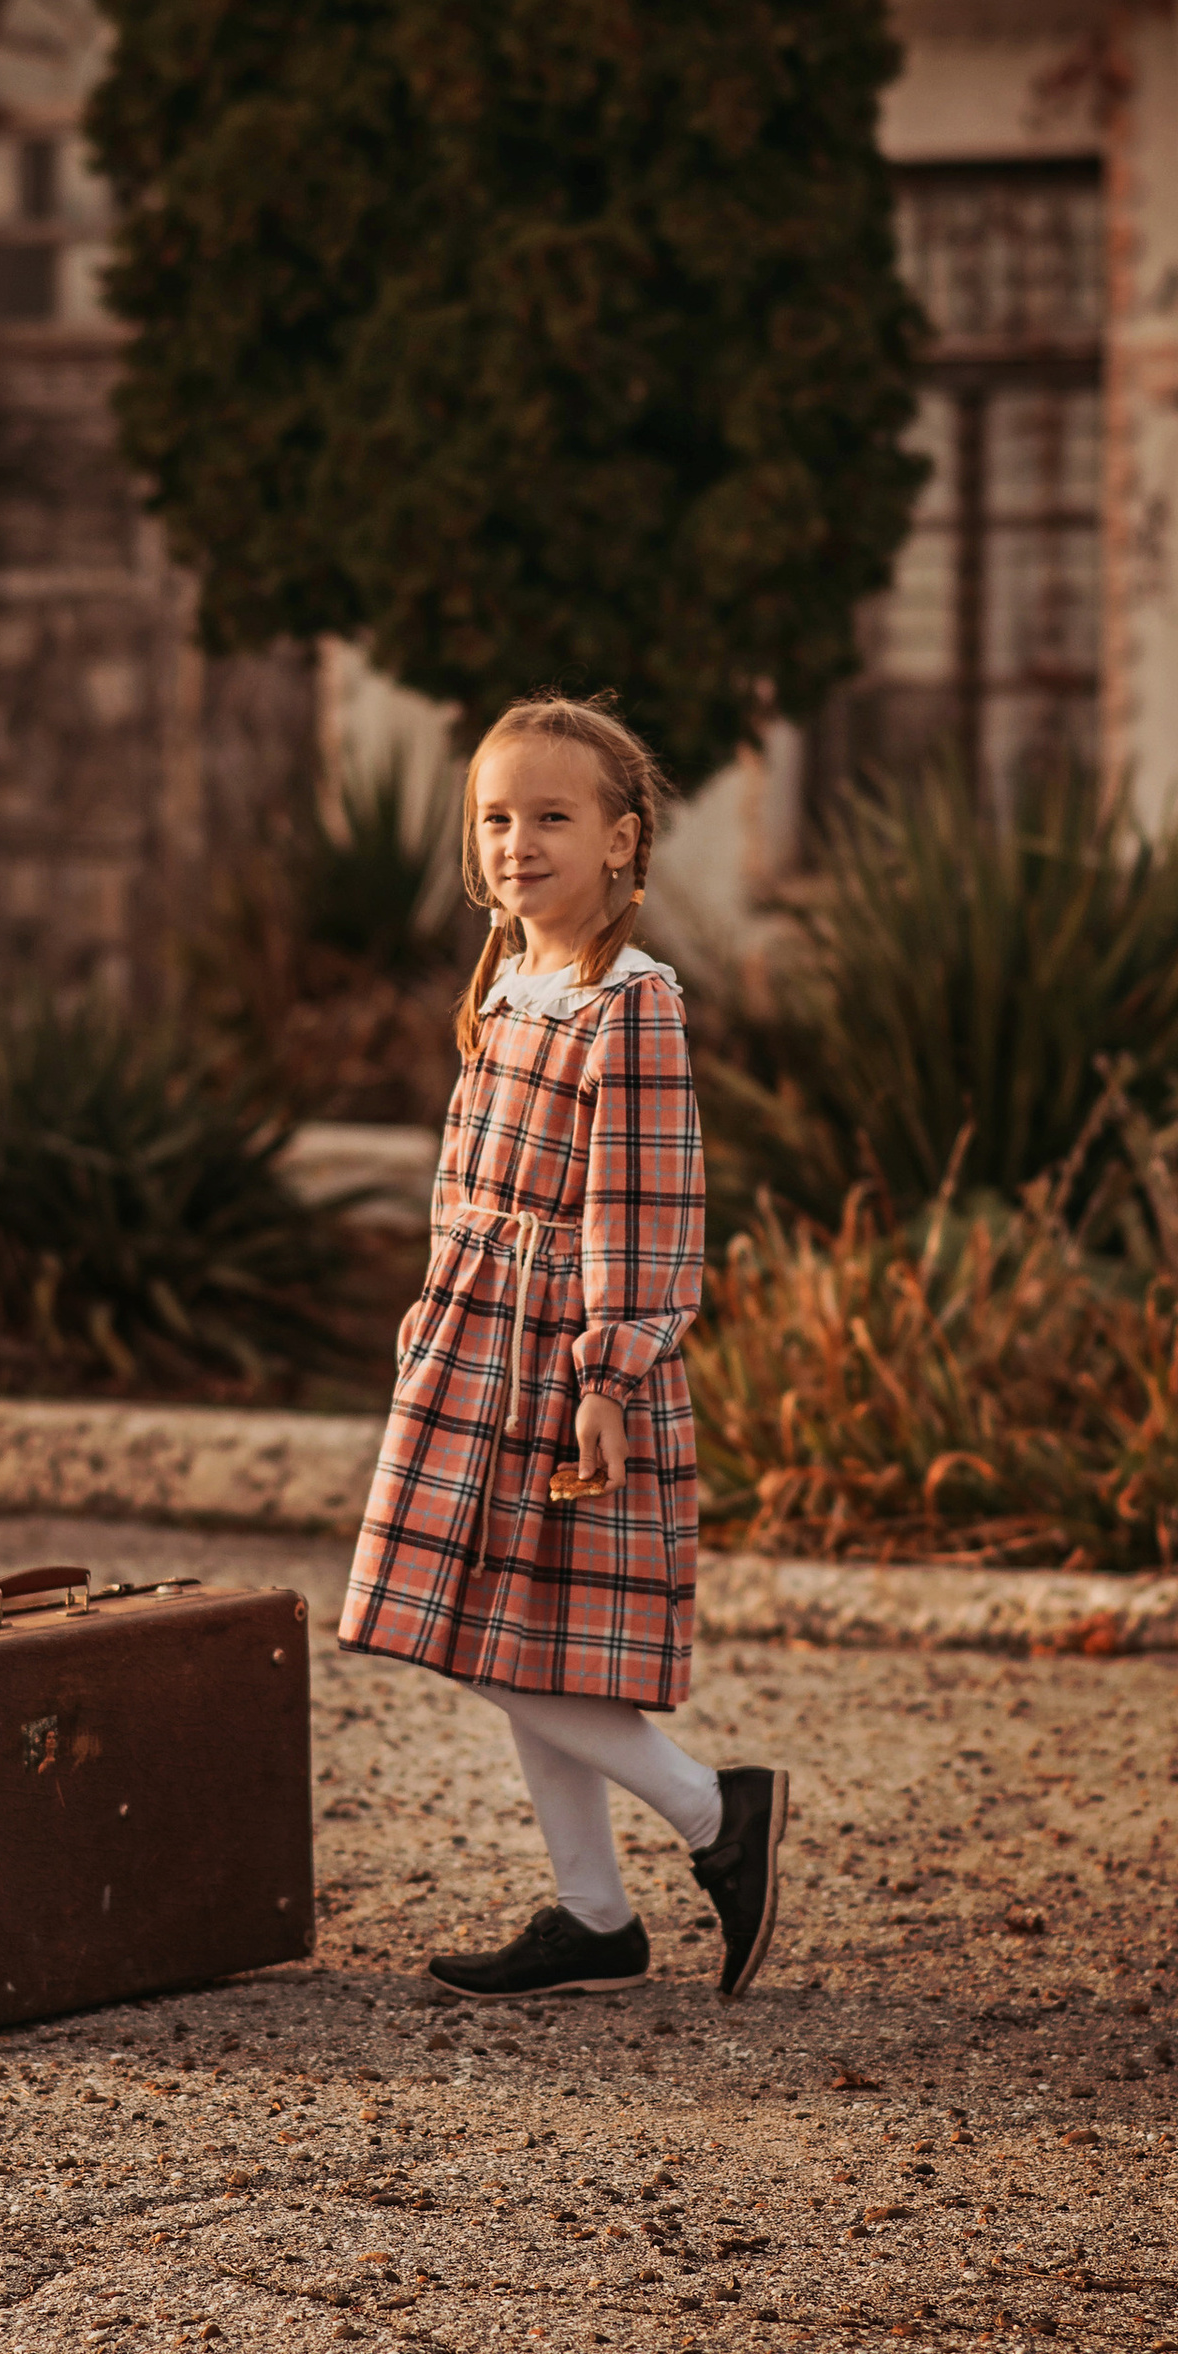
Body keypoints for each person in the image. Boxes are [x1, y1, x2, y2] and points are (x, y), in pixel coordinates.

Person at [338, 691, 787, 2001]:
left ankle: (713, 1811)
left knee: (480, 1631)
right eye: (495, 819)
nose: (518, 843)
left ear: (622, 842)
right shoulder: (508, 985)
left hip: (560, 1351)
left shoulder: (628, 1005)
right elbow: (463, 1172)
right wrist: (436, 1297)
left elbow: (642, 1205)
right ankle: (595, 1914)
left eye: (551, 817)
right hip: (476, 1337)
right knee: (520, 1631)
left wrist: (610, 1374)